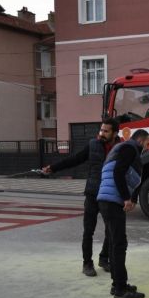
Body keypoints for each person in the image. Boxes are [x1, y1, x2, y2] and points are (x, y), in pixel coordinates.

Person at [42, 119, 121, 277]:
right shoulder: (93, 145)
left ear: (115, 133)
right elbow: (75, 159)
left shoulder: (121, 148)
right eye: (101, 130)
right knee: (88, 231)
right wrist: (53, 168)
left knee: (111, 230)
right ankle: (87, 263)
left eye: (106, 131)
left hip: (111, 195)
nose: (102, 133)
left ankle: (104, 259)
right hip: (93, 193)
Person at [97, 129, 149, 298]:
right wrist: (126, 198)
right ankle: (120, 289)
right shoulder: (130, 148)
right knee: (119, 244)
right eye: (148, 144)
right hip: (113, 201)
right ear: (140, 140)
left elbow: (128, 176)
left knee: (115, 243)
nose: (148, 148)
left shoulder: (120, 148)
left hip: (106, 200)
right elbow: (118, 172)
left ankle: (117, 284)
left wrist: (131, 197)